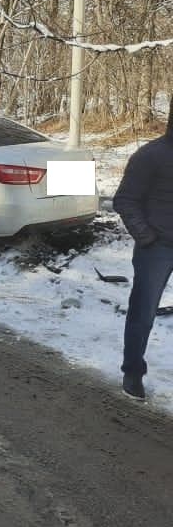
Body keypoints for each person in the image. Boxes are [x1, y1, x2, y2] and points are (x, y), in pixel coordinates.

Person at [112, 108, 173, 400]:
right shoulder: (151, 155)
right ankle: (133, 372)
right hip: (157, 248)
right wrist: (147, 236)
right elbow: (124, 200)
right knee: (143, 314)